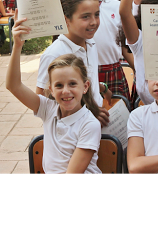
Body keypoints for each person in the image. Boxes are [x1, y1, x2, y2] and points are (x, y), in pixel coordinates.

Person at [7, 11, 102, 174]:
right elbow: (13, 86)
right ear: (50, 89)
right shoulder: (48, 109)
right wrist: (17, 46)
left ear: (85, 86)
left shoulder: (89, 124)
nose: (66, 91)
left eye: (73, 84)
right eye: (59, 85)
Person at [36, 0, 111, 131]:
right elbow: (42, 102)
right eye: (85, 17)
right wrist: (88, 112)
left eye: (97, 14)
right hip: (70, 135)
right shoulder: (55, 53)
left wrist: (101, 88)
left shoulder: (91, 43)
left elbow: (88, 81)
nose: (94, 22)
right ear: (66, 20)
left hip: (95, 126)